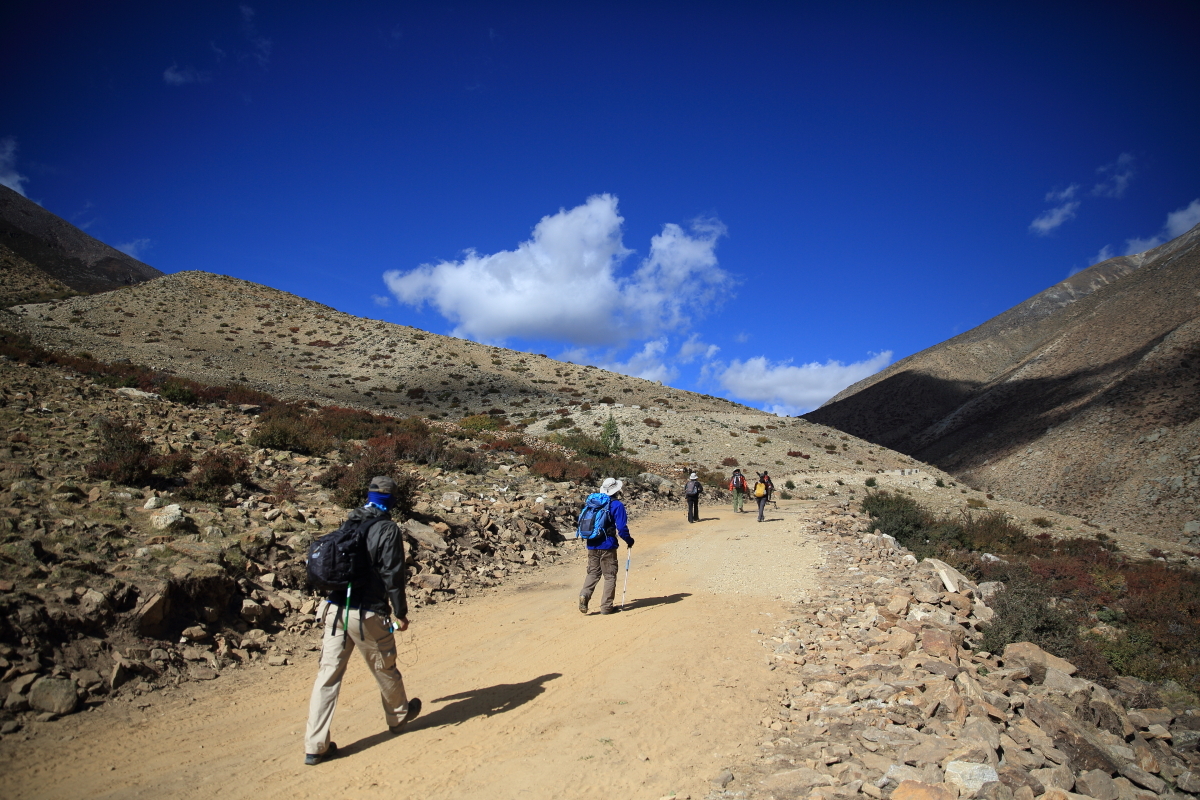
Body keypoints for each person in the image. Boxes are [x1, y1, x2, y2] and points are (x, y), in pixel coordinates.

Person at [304, 476, 421, 766]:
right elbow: (393, 575)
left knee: (327, 677)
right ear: (391, 500)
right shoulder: (387, 529)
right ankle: (398, 716)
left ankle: (315, 745)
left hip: (334, 609)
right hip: (367, 613)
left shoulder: (350, 521)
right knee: (385, 667)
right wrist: (401, 613)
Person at [579, 477, 635, 615]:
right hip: (608, 545)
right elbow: (621, 528)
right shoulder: (617, 505)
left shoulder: (593, 503)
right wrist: (629, 540)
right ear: (617, 490)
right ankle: (606, 607)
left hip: (592, 543)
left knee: (593, 573)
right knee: (609, 575)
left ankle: (584, 594)